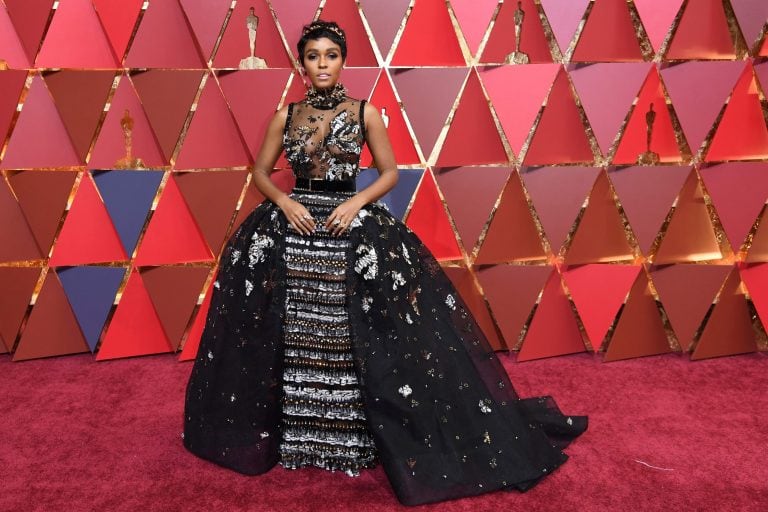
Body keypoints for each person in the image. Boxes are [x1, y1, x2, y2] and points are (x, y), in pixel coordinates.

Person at [183, 19, 587, 506]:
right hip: (294, 229)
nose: (322, 64)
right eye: (313, 56)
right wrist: (286, 203)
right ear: (302, 64)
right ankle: (300, 435)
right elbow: (261, 172)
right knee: (295, 332)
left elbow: (391, 172)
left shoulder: (365, 112)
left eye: (331, 55)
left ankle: (355, 435)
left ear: (343, 59)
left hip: (346, 224)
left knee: (353, 332)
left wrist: (355, 204)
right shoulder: (284, 115)